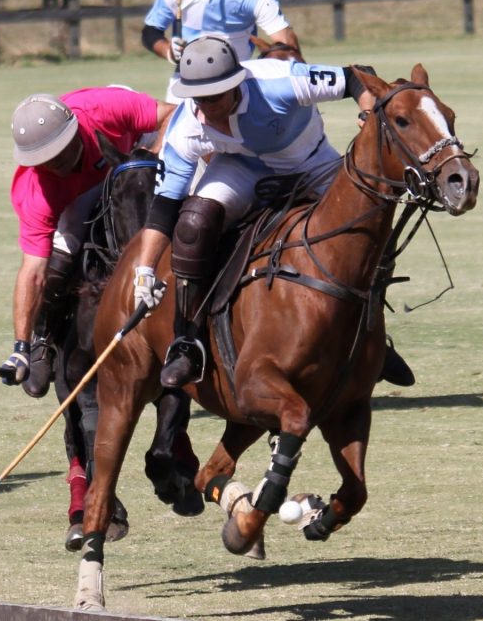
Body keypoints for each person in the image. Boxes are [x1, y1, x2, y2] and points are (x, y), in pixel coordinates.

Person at [128, 36, 414, 388]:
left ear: (236, 84)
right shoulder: (186, 126)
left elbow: (357, 76)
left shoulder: (278, 83)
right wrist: (143, 270)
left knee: (370, 228)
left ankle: (371, 336)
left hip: (313, 165)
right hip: (242, 169)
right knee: (193, 222)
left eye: (215, 96)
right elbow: (164, 207)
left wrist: (367, 110)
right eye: (198, 98)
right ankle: (187, 340)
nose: (206, 107)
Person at [0, 88, 174, 397]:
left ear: (74, 130)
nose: (53, 163)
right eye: (44, 159)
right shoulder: (37, 187)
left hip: (135, 154)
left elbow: (174, 113)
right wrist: (19, 347)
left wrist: (153, 156)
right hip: (82, 193)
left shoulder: (105, 108)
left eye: (58, 152)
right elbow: (33, 271)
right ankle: (43, 342)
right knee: (63, 252)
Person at [141, 0, 301, 99]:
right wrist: (169, 52)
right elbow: (150, 32)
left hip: (235, 82)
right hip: (186, 81)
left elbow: (286, 43)